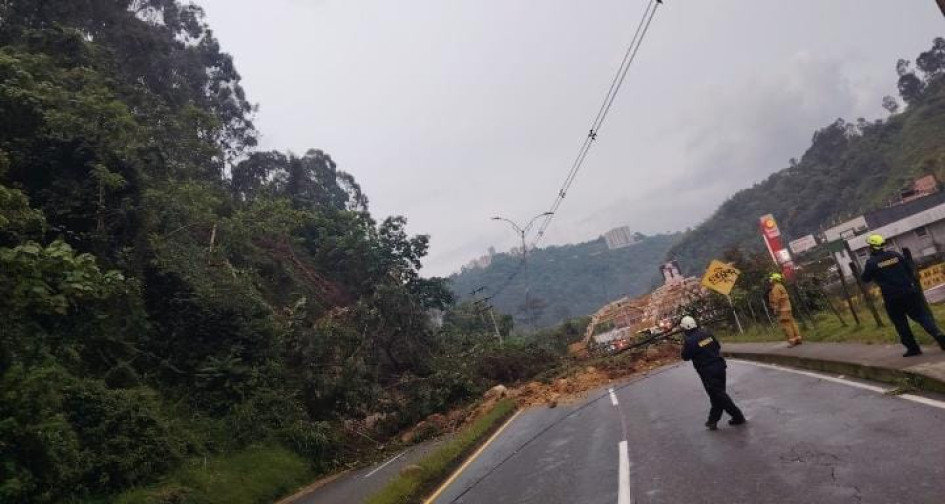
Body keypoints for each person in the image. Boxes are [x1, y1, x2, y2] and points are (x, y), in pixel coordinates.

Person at [860, 234, 945, 357]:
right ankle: (939, 336)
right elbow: (909, 269)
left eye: (869, 246)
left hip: (892, 298)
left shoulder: (871, 262)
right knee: (921, 316)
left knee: (901, 323)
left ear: (873, 247)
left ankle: (913, 348)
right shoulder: (896, 255)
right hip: (909, 292)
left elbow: (865, 278)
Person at [680, 315, 746, 430]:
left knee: (719, 395)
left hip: (707, 372)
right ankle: (712, 420)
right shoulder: (707, 333)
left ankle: (738, 416)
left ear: (685, 328)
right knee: (717, 395)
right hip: (720, 367)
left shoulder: (689, 341)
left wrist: (686, 344)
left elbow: (685, 357)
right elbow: (718, 346)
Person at [767, 272, 802, 347]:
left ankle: (792, 341)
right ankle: (798, 339)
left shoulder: (775, 288)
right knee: (792, 322)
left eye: (771, 279)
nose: (770, 280)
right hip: (788, 307)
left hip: (782, 309)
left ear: (774, 280)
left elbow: (776, 299)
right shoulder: (781, 286)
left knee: (786, 325)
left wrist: (775, 309)